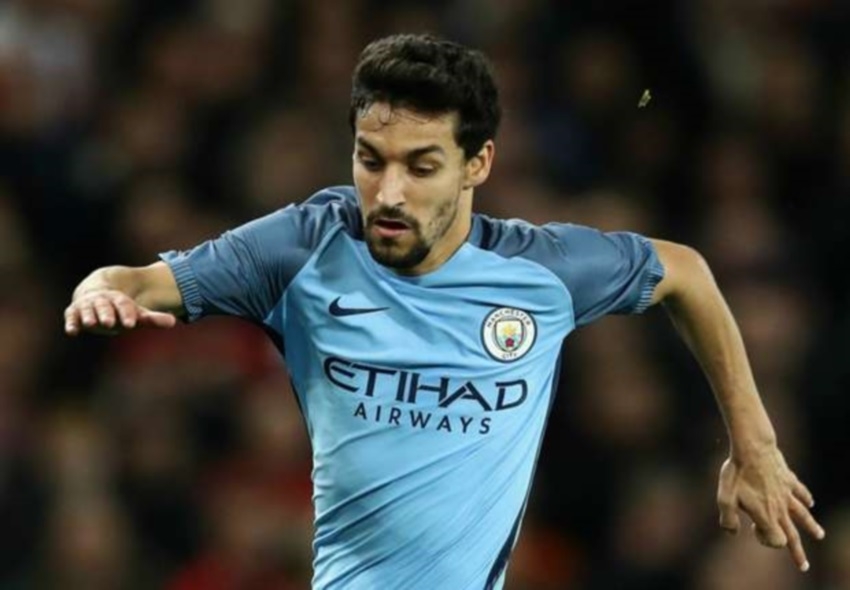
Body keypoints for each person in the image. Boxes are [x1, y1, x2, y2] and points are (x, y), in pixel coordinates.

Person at [64, 33, 825, 589]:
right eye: (370, 160)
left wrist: (754, 445)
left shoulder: (542, 274)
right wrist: (101, 289)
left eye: (421, 166)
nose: (389, 193)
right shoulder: (302, 249)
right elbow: (139, 279)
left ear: (477, 163)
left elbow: (686, 273)